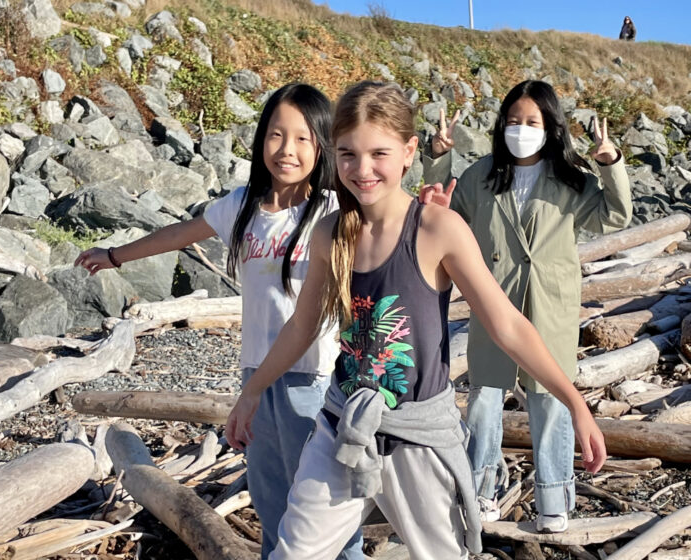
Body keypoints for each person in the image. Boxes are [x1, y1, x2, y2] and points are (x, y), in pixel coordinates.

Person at [226, 80, 607, 560]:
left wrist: (574, 403)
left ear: (408, 152)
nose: (362, 170)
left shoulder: (436, 229)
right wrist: (253, 390)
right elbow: (301, 327)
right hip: (342, 424)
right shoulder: (330, 232)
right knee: (294, 551)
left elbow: (506, 324)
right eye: (347, 154)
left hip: (419, 435)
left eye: (378, 154)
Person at [74, 83, 363, 560]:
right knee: (273, 503)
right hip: (257, 374)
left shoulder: (333, 210)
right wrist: (115, 255)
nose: (286, 149)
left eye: (302, 138)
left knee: (325, 506)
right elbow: (180, 233)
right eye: (275, 135)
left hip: (314, 377)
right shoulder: (245, 203)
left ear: (324, 145)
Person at [422, 79, 631, 532]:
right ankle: (480, 491)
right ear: (501, 126)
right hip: (494, 303)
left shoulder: (571, 178)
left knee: (551, 401)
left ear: (550, 127)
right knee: (483, 400)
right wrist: (437, 158)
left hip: (550, 306)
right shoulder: (479, 176)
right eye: (513, 121)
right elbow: (436, 211)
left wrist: (610, 162)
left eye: (532, 121)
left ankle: (554, 499)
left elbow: (615, 216)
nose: (521, 129)